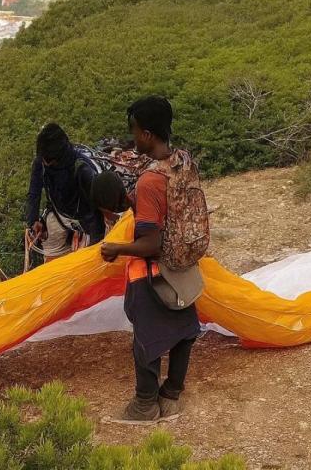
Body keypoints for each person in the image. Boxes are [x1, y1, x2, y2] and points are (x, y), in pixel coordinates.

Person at [99, 96, 201, 424]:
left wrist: (116, 249)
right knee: (185, 330)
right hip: (185, 263)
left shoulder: (150, 182)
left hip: (155, 271)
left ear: (146, 134)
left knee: (147, 337)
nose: (132, 136)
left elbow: (150, 243)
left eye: (134, 130)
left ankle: (145, 405)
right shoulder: (183, 160)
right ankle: (171, 395)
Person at [25, 123, 106, 263]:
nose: (45, 163)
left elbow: (97, 212)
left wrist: (96, 247)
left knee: (95, 257)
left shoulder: (83, 169)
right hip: (58, 212)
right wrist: (33, 220)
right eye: (43, 159)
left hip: (87, 215)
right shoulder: (41, 161)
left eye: (49, 161)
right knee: (51, 254)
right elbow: (34, 192)